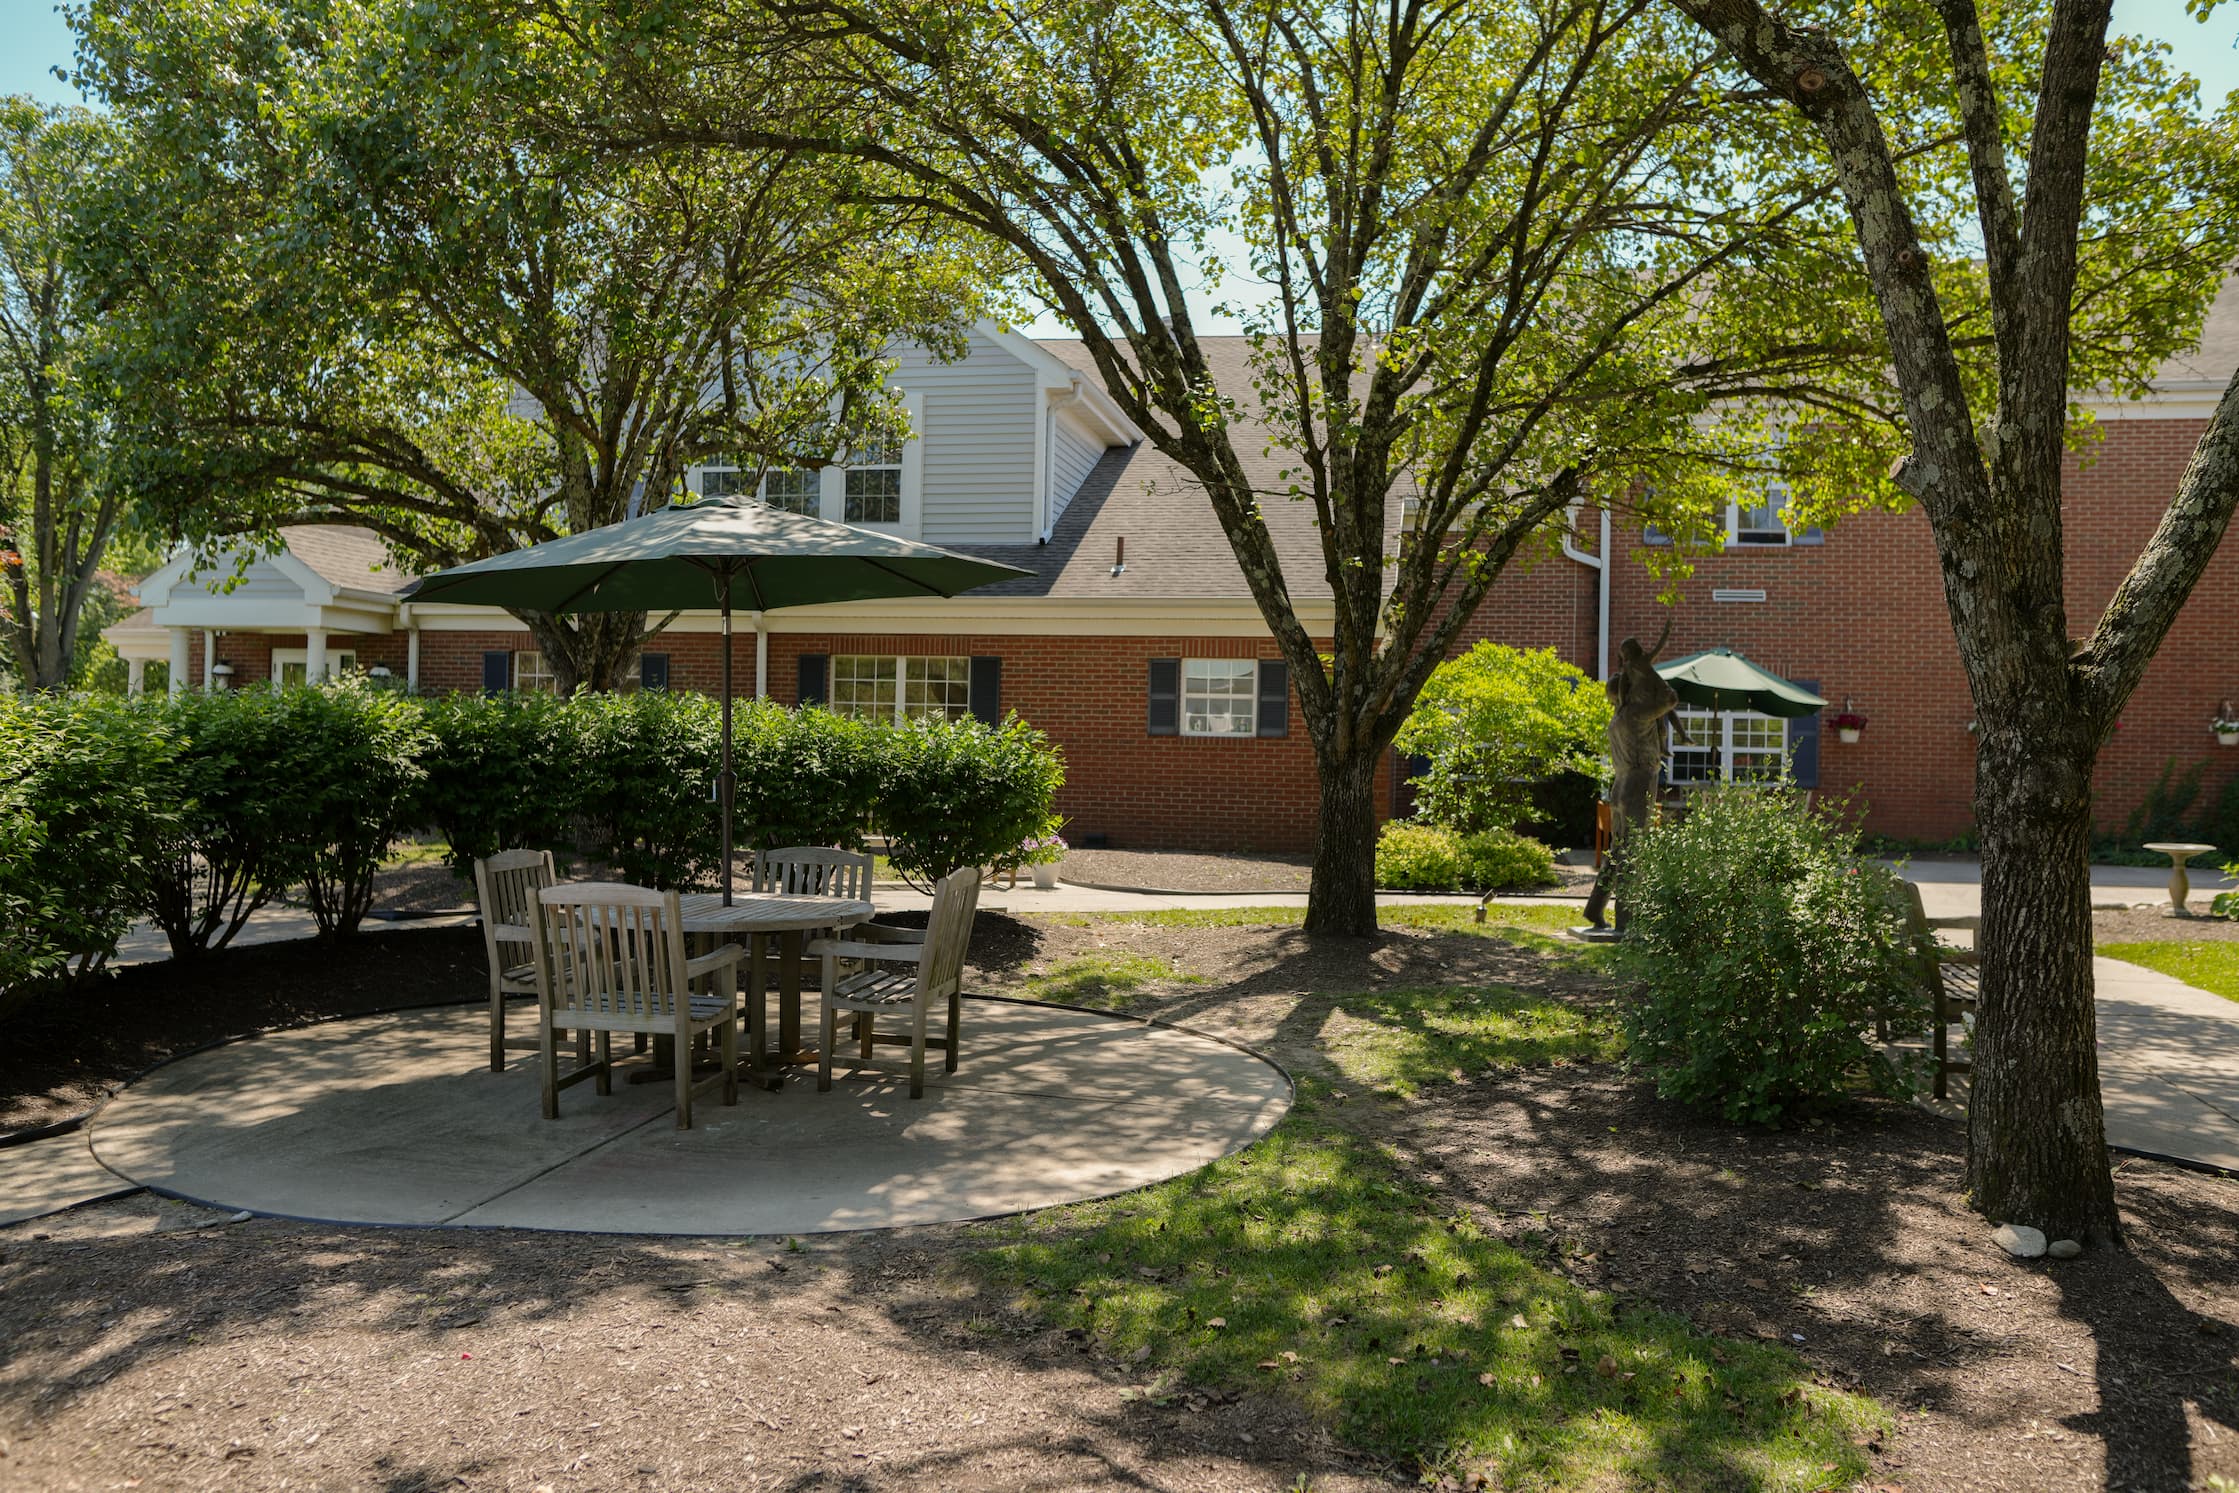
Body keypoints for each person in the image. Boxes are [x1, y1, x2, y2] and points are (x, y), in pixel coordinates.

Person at [1581, 633, 1688, 930]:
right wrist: (1647, 674)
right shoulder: (1638, 715)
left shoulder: (1616, 720)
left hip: (1619, 787)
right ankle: (1627, 922)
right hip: (1639, 784)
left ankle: (1595, 909)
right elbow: (1670, 699)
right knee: (1632, 853)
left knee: (1618, 852)